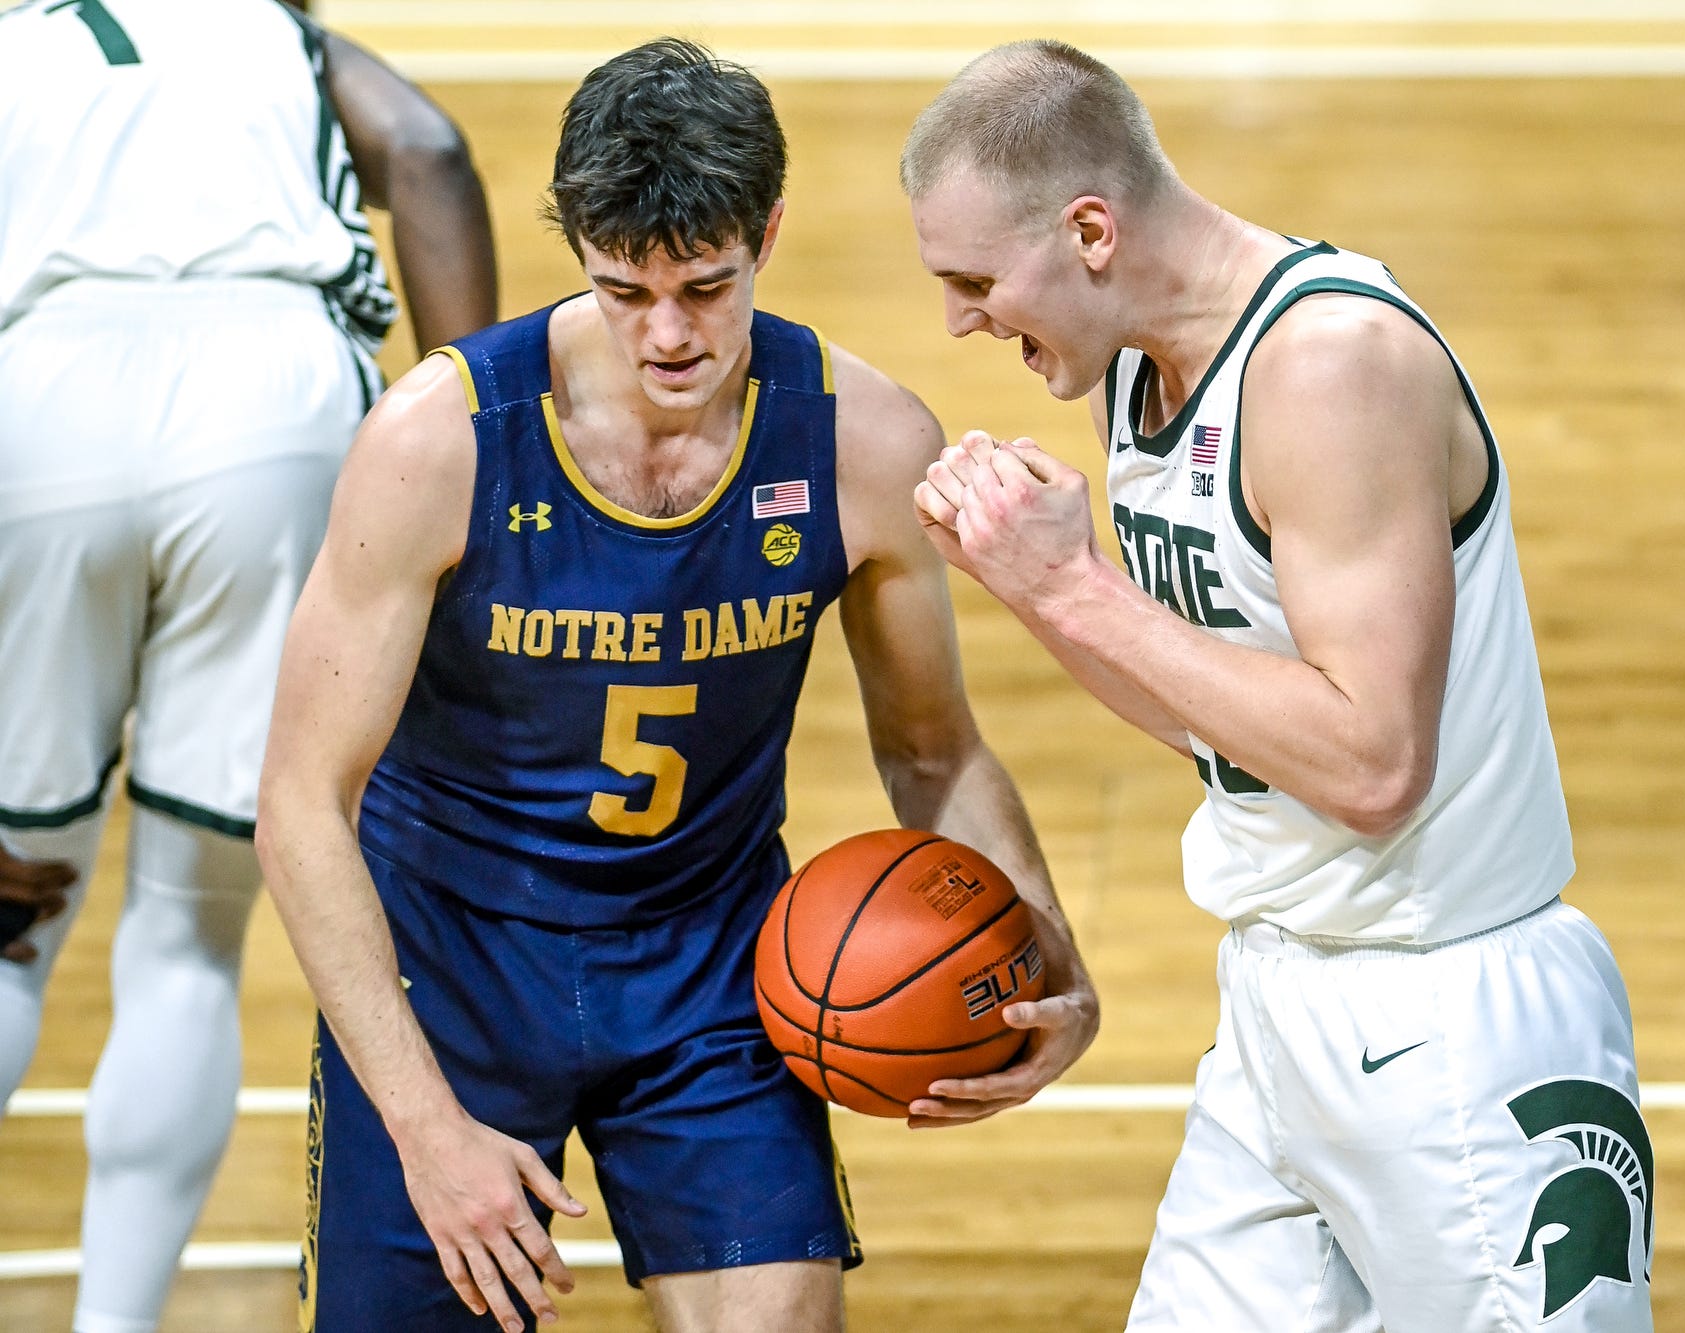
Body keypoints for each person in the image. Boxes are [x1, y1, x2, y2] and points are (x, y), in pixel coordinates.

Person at [256, 37, 1098, 1333]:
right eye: (621, 290)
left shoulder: (862, 440)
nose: (666, 335)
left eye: (707, 288)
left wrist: (1051, 959)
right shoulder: (439, 442)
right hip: (454, 958)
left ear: (767, 230)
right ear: (578, 244)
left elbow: (934, 753)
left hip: (711, 960)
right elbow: (303, 805)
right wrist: (425, 1127)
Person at [903, 40, 1653, 1333]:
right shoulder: (1137, 375)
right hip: (1278, 1010)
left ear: (1091, 229)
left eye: (974, 281)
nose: (960, 321)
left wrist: (1079, 588)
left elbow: (1370, 763)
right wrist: (1028, 584)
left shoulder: (1330, 363)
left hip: (1453, 1017)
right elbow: (1224, 729)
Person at [0, 0, 494, 1328]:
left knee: (10, 923)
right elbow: (434, 152)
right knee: (187, 936)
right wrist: (473, 432)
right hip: (267, 404)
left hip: (37, 396)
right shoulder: (275, 31)